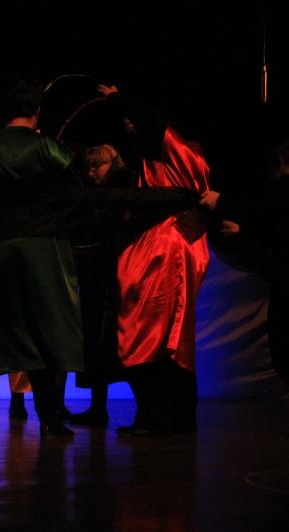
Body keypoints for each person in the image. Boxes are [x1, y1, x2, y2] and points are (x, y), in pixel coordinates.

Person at [0, 78, 202, 437]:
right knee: (47, 333)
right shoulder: (45, 149)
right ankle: (50, 420)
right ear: (36, 112)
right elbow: (84, 182)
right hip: (39, 250)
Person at [199, 139, 289, 433]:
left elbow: (263, 212)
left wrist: (222, 201)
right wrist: (244, 229)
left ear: (278, 163)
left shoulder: (286, 191)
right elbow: (279, 226)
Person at [96, 84, 212, 436]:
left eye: (133, 119)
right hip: (162, 247)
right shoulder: (157, 159)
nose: (128, 123)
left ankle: (160, 416)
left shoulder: (173, 147)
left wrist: (117, 98)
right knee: (157, 332)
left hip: (167, 250)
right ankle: (166, 416)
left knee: (156, 333)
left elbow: (151, 120)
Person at [67, 144, 135, 427]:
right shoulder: (95, 196)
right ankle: (98, 407)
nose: (91, 172)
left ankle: (138, 408)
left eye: (97, 166)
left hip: (117, 276)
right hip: (97, 277)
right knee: (96, 341)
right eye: (89, 167)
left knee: (117, 341)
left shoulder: (123, 192)